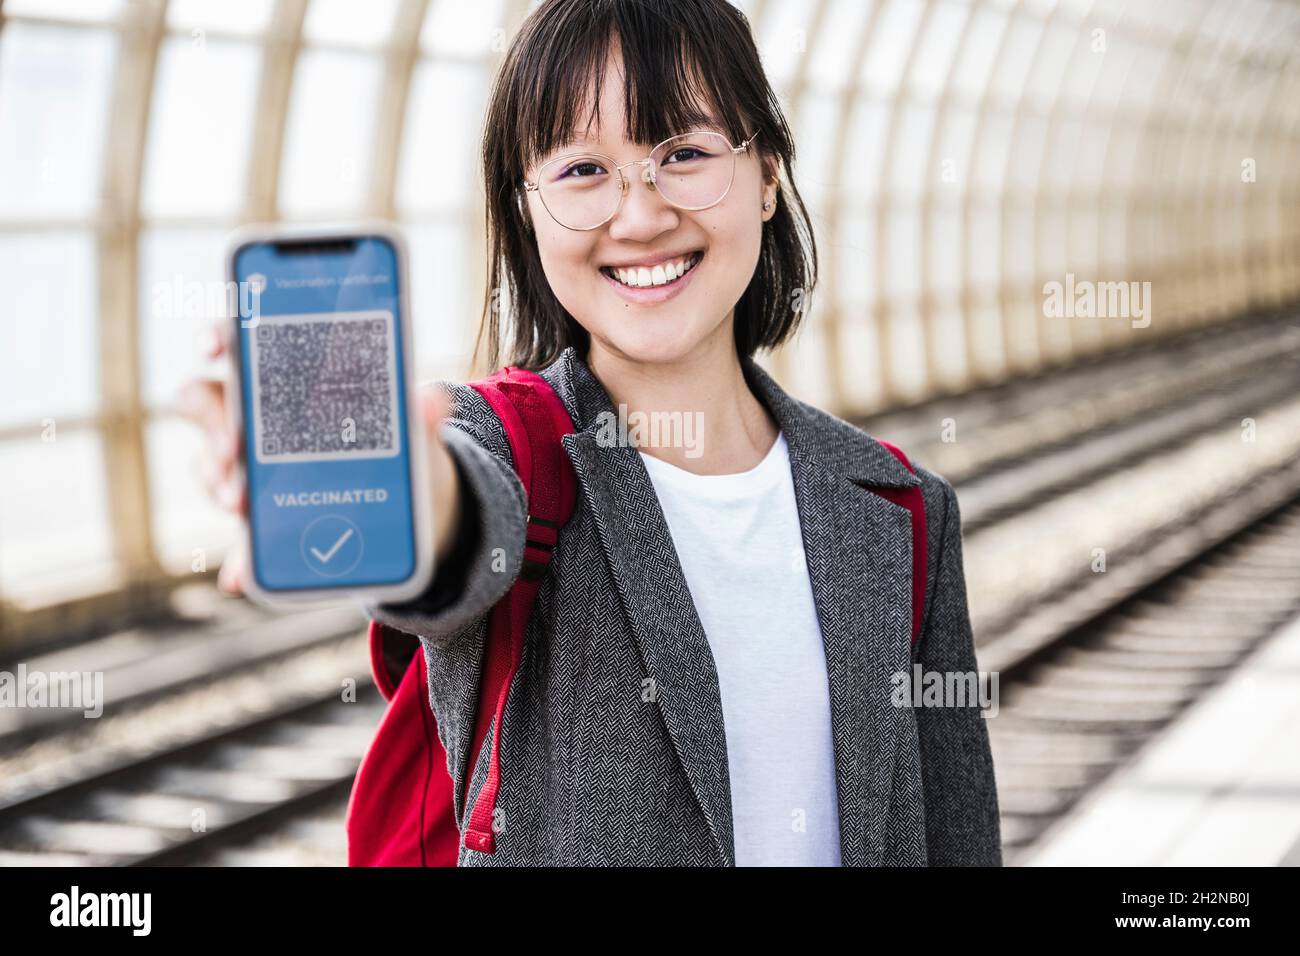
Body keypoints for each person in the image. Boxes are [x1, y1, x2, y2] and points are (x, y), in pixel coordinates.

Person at [181, 0, 1001, 867]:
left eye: (683, 154)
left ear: (767, 175)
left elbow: (957, 841)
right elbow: (462, 523)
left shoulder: (900, 510)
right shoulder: (507, 450)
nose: (640, 217)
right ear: (526, 213)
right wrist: (410, 497)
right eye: (582, 171)